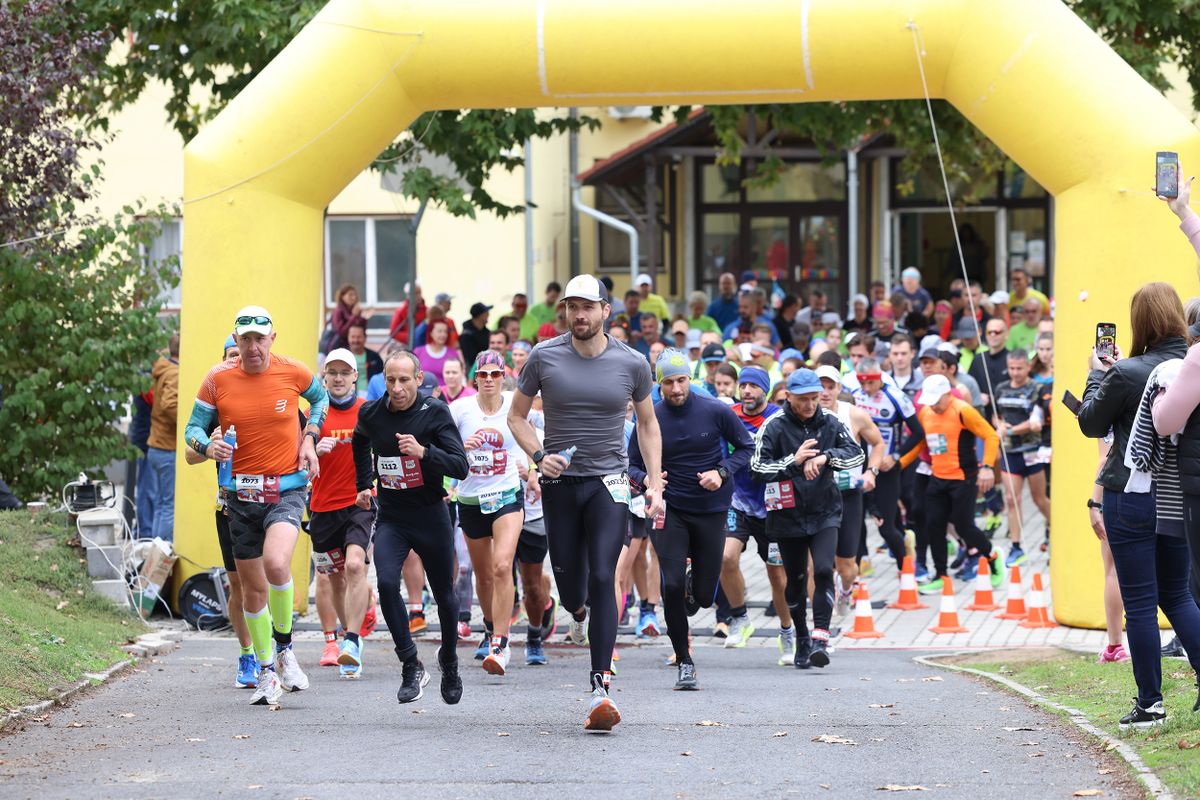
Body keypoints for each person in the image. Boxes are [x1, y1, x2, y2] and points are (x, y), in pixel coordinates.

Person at [509, 274, 663, 732]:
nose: (579, 315)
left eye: (587, 307)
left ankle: (600, 686)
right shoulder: (543, 357)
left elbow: (648, 425)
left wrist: (653, 483)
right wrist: (538, 456)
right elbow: (516, 416)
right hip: (560, 485)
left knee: (603, 574)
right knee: (572, 585)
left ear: (604, 312)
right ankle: (573, 611)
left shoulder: (632, 363)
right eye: (572, 307)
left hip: (609, 482)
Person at [184, 305, 328, 706]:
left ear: (272, 338)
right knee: (251, 590)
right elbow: (191, 429)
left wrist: (310, 437)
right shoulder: (217, 379)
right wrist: (206, 445)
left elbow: (320, 401)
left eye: (258, 338)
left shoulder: (293, 371)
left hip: (286, 488)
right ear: (236, 340)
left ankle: (285, 650)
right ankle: (266, 670)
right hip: (239, 496)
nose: (251, 347)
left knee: (277, 563)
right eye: (244, 339)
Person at [1079, 281, 1200, 728]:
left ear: (1138, 322)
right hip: (1178, 496)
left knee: (1142, 603)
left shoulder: (1126, 372)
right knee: (1179, 595)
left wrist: (1096, 372)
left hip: (1131, 496)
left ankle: (1150, 703)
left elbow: (1092, 424)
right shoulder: (1192, 365)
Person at [628, 349, 753, 689]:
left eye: (682, 380)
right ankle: (685, 661)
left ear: (691, 379)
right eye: (668, 382)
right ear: (659, 383)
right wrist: (647, 482)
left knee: (703, 597)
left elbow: (746, 447)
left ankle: (692, 585)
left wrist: (721, 472)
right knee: (669, 586)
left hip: (711, 509)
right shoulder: (650, 419)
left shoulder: (714, 410)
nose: (677, 389)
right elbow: (631, 465)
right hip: (671, 510)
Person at [352, 350, 469, 706]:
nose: (398, 388)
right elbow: (359, 441)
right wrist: (363, 484)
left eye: (405, 380)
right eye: (391, 380)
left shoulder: (434, 412)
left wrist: (424, 453)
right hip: (393, 516)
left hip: (430, 513)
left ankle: (448, 661)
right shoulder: (372, 412)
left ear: (419, 379)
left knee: (446, 598)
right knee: (386, 583)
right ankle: (410, 663)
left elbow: (460, 465)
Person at [751, 368, 864, 669]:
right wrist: (794, 461)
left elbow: (856, 454)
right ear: (788, 396)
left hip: (825, 509)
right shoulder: (773, 426)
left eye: (814, 398)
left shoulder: (830, 420)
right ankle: (801, 636)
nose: (811, 405)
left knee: (825, 569)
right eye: (803, 399)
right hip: (787, 515)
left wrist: (826, 457)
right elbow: (756, 468)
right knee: (796, 580)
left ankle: (821, 637)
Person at [182, 337, 257, 689]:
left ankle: (271, 648)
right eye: (231, 356)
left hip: (266, 500)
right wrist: (210, 446)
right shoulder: (214, 400)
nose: (237, 360)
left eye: (240, 355)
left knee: (267, 578)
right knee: (238, 584)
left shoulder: (264, 390)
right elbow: (189, 455)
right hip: (227, 503)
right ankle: (247, 654)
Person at [449, 351, 527, 675]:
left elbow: (533, 432)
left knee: (502, 565)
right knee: (483, 576)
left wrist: (532, 465)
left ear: (504, 376)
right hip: (470, 500)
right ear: (475, 379)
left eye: (496, 374)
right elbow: (441, 445)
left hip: (507, 494)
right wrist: (461, 449)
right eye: (484, 375)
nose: (490, 380)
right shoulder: (460, 409)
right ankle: (490, 624)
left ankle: (501, 642)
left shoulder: (514, 404)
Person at [306, 349, 376, 679]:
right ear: (324, 376)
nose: (337, 378)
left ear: (354, 377)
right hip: (321, 507)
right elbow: (293, 461)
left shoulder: (368, 412)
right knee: (334, 578)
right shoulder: (312, 415)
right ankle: (352, 634)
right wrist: (311, 450)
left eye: (343, 372)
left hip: (359, 503)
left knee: (353, 566)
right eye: (331, 372)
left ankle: (351, 641)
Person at [899, 375, 1001, 595]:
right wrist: (899, 464)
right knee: (934, 525)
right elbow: (920, 445)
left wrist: (987, 467)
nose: (934, 405)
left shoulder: (962, 410)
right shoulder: (926, 413)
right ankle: (941, 575)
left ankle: (992, 557)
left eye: (937, 400)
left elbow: (991, 436)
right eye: (930, 401)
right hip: (938, 478)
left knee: (964, 526)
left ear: (947, 394)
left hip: (964, 478)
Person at [719, 367, 795, 661]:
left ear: (765, 389)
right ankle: (739, 618)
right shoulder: (729, 414)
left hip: (773, 507)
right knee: (725, 557)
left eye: (753, 385)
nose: (747, 391)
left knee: (777, 575)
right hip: (738, 501)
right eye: (743, 385)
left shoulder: (778, 418)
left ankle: (787, 631)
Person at [816, 365, 884, 615]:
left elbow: (878, 443)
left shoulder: (853, 414)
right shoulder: (802, 415)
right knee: (817, 565)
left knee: (847, 566)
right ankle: (820, 617)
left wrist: (871, 472)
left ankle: (845, 589)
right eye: (820, 386)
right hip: (815, 498)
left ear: (839, 389)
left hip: (848, 495)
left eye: (830, 387)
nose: (824, 392)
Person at [852, 357, 924, 570]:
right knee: (856, 522)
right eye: (862, 383)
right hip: (861, 467)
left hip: (886, 468)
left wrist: (896, 456)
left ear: (879, 378)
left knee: (885, 526)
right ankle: (858, 567)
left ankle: (906, 569)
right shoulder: (855, 397)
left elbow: (918, 432)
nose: (866, 388)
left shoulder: (895, 397)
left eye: (870, 383)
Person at [992, 349, 1051, 567]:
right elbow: (996, 415)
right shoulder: (1000, 388)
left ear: (1027, 367)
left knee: (1039, 499)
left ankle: (1053, 530)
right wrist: (998, 425)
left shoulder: (1037, 388)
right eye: (1011, 368)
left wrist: (1012, 429)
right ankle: (1016, 546)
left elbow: (1038, 419)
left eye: (1019, 368)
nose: (1015, 373)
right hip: (1010, 452)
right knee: (1011, 499)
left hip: (1032, 451)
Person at [146, 332, 180, 540]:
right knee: (169, 506)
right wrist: (189, 425)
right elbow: (170, 405)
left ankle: (155, 551)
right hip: (167, 448)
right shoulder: (175, 373)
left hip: (156, 446)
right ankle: (163, 551)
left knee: (161, 503)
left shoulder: (164, 369)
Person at [969, 318, 1010, 414]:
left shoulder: (1012, 359)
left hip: (1006, 413)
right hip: (983, 414)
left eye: (997, 332)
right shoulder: (978, 359)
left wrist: (993, 399)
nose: (992, 335)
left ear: (1006, 335)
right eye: (989, 332)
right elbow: (969, 385)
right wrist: (978, 396)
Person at [329, 283, 373, 351]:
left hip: (354, 348)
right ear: (342, 296)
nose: (353, 297)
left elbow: (361, 330)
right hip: (339, 347)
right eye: (350, 295)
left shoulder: (356, 310)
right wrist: (354, 316)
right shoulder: (338, 311)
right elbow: (341, 332)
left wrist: (364, 318)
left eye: (355, 295)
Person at [345, 323, 383, 399]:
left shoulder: (375, 357)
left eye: (359, 337)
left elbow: (382, 378)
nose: (355, 340)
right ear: (348, 338)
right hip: (348, 398)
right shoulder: (343, 357)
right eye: (353, 337)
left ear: (365, 338)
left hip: (372, 398)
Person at [388, 282, 426, 346]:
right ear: (408, 295)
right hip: (408, 346)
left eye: (419, 293)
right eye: (415, 293)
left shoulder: (426, 310)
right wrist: (412, 336)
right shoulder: (401, 311)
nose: (418, 296)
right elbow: (393, 333)